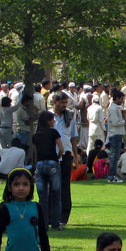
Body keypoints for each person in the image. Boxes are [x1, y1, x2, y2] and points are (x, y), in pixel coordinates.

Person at [51, 91, 79, 226]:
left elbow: (73, 137)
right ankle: (51, 215)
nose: (64, 105)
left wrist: (76, 155)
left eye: (65, 103)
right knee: (52, 186)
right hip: (51, 154)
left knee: (65, 187)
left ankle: (63, 216)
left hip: (66, 155)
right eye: (61, 102)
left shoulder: (69, 118)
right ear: (54, 102)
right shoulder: (48, 117)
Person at [32, 109, 63, 229]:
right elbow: (61, 148)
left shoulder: (36, 135)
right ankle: (55, 223)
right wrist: (58, 158)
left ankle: (43, 224)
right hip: (52, 163)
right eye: (52, 119)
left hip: (40, 164)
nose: (54, 121)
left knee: (42, 197)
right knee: (56, 195)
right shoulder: (53, 132)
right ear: (48, 121)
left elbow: (35, 153)